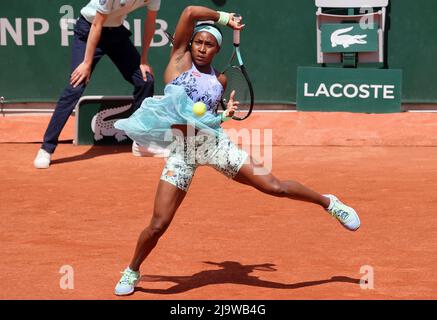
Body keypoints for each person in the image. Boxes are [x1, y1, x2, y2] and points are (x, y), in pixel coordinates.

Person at [113, 5, 361, 296]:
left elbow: (206, 120)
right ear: (189, 44)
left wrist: (225, 114)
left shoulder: (221, 81)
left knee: (274, 186)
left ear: (218, 50)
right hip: (182, 151)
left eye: (210, 44)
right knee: (158, 224)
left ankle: (329, 203)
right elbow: (191, 11)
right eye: (199, 42)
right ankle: (132, 270)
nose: (202, 48)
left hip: (213, 145)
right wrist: (225, 19)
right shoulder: (179, 60)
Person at [33, 0, 161, 169]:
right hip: (89, 29)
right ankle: (46, 148)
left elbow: (150, 23)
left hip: (115, 33)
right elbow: (97, 25)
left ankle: (140, 140)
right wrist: (86, 63)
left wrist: (143, 60)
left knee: (145, 80)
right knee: (76, 86)